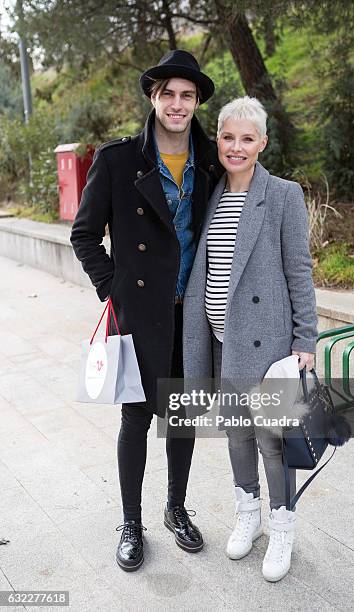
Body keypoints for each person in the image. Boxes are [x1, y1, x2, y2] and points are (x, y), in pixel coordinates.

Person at [70, 50, 223, 571]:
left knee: (182, 417)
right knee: (136, 416)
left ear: (197, 100)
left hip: (194, 311)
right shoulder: (117, 161)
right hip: (139, 309)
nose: (177, 104)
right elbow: (84, 234)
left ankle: (175, 509)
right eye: (168, 94)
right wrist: (113, 288)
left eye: (187, 95)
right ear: (154, 98)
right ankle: (130, 521)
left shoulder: (211, 161)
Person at [183, 96, 318, 582]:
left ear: (262, 142)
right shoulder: (211, 193)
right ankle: (249, 515)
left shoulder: (283, 194)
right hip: (223, 341)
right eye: (227, 137)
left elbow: (299, 270)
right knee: (236, 432)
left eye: (246, 139)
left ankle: (282, 526)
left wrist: (307, 338)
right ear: (217, 140)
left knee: (272, 439)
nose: (235, 147)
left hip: (271, 342)